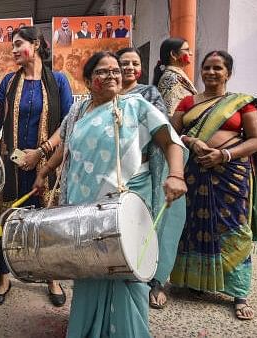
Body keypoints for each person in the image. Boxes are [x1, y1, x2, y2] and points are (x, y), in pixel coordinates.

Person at [35, 51, 187, 338]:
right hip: (85, 205)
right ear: (90, 80)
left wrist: (176, 175)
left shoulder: (136, 106)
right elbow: (65, 147)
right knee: (89, 268)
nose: (113, 75)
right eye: (103, 72)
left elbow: (171, 140)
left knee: (126, 269)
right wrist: (44, 172)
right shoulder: (79, 110)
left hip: (124, 202)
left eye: (115, 70)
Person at [0, 26, 73, 307]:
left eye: (19, 44)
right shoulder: (7, 82)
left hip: (48, 163)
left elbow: (67, 125)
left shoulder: (58, 81)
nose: (14, 50)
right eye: (12, 46)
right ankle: (4, 276)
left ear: (36, 44)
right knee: (7, 221)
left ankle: (51, 277)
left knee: (47, 225)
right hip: (12, 164)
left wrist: (41, 152)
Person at [170, 51, 257, 321]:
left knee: (233, 228)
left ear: (228, 73)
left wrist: (224, 155)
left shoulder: (242, 103)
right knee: (192, 226)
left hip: (230, 175)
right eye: (207, 67)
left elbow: (256, 140)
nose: (211, 72)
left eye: (218, 68)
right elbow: (171, 132)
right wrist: (192, 141)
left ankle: (239, 293)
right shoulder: (188, 101)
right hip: (194, 172)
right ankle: (197, 283)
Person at [118, 47, 186, 309]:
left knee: (144, 228)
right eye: (124, 63)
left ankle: (152, 282)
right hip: (113, 175)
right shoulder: (105, 97)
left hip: (143, 171)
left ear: (141, 69)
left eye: (134, 63)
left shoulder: (148, 93)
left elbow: (160, 130)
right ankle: (122, 276)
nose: (129, 68)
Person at [153, 37, 197, 116]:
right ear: (173, 54)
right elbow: (170, 113)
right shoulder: (171, 78)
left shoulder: (175, 75)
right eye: (186, 50)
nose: (191, 53)